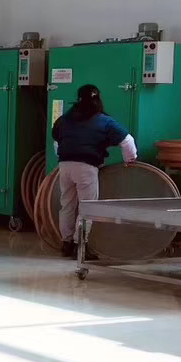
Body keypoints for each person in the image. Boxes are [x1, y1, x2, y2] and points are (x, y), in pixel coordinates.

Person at [51, 83, 137, 258]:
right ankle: (80, 247)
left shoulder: (64, 119)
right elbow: (127, 141)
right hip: (86, 167)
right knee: (87, 207)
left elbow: (56, 141)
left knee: (67, 205)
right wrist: (130, 159)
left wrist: (65, 156)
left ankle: (66, 244)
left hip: (65, 165)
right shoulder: (104, 121)